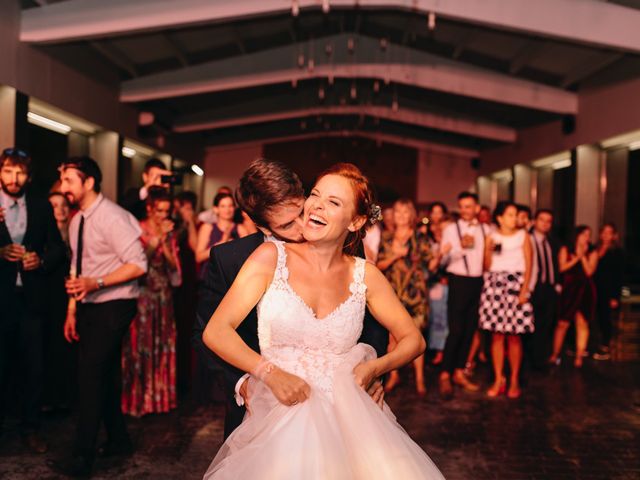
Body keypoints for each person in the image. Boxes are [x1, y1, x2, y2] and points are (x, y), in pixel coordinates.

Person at [201, 163, 444, 479]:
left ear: (356, 221)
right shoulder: (269, 258)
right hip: (278, 414)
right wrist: (268, 374)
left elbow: (414, 339)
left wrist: (375, 368)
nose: (316, 205)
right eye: (316, 194)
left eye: (333, 201)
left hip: (351, 418)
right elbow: (215, 330)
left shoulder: (365, 274)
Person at [192, 158, 388, 440]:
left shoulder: (343, 245)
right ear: (262, 225)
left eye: (301, 211)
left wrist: (373, 371)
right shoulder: (229, 260)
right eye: (286, 224)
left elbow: (370, 321)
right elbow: (204, 333)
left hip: (339, 406)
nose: (303, 227)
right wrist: (244, 383)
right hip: (262, 408)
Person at [50, 156, 147, 477]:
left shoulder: (113, 217)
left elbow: (138, 264)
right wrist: (71, 309)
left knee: (89, 376)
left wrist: (97, 282)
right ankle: (119, 440)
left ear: (88, 182)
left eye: (69, 181)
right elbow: (79, 266)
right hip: (90, 303)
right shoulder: (78, 219)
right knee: (102, 376)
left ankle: (82, 457)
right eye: (62, 181)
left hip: (116, 303)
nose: (63, 187)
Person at [0, 148, 65, 454]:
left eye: (20, 172)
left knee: (33, 367)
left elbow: (58, 248)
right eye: (9, 171)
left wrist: (40, 260)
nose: (15, 179)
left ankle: (31, 429)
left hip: (31, 300)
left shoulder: (40, 205)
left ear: (28, 175)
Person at [122, 187, 181, 416]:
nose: (163, 216)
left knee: (161, 345)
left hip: (163, 296)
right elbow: (139, 263)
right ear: (149, 208)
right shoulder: (137, 228)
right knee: (141, 346)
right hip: (143, 295)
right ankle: (138, 401)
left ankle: (159, 400)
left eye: (167, 211)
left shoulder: (170, 233)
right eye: (159, 211)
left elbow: (174, 269)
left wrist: (166, 241)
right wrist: (156, 240)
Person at [377, 198, 433, 396]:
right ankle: (394, 376)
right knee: (392, 338)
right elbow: (378, 265)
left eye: (405, 212)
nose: (401, 216)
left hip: (415, 293)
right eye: (397, 212)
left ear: (412, 215)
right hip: (392, 293)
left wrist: (440, 256)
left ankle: (419, 379)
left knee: (414, 336)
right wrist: (395, 255)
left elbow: (431, 266)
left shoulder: (421, 237)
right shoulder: (386, 237)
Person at [479, 202, 534, 399]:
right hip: (495, 284)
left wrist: (525, 290)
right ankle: (498, 378)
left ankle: (514, 379)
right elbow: (486, 266)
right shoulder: (491, 236)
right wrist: (487, 250)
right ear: (500, 218)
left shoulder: (523, 236)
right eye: (510, 215)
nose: (514, 218)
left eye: (515, 215)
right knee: (496, 335)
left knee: (514, 336)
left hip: (515, 284)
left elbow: (530, 265)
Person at [438, 192, 487, 399]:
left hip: (479, 282)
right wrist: (458, 250)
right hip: (458, 280)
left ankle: (459, 371)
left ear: (477, 208)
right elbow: (443, 261)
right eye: (462, 206)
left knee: (469, 330)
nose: (465, 210)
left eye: (469, 206)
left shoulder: (486, 229)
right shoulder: (450, 229)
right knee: (456, 330)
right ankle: (444, 374)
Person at [43, 192, 75, 413]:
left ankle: (66, 396)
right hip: (51, 296)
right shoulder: (44, 234)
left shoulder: (75, 230)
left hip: (73, 295)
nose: (60, 209)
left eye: (64, 205)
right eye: (55, 205)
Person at [549, 226, 598, 368]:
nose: (586, 238)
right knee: (562, 323)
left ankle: (579, 356)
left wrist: (583, 256)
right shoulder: (566, 249)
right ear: (576, 235)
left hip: (585, 289)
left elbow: (589, 272)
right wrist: (576, 257)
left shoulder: (592, 252)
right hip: (569, 288)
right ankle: (555, 354)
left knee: (582, 322)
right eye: (584, 234)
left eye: (589, 235)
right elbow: (562, 268)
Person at [172, 190, 199, 391]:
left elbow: (195, 246)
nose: (187, 211)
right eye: (184, 206)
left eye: (190, 207)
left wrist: (189, 222)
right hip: (172, 281)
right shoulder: (170, 224)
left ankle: (185, 379)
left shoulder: (194, 225)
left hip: (188, 281)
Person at [528, 209, 561, 371]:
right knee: (530, 325)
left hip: (549, 288)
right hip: (533, 287)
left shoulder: (551, 242)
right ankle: (529, 360)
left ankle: (539, 360)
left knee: (545, 325)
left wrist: (556, 284)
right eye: (542, 220)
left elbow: (555, 264)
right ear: (534, 221)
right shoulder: (527, 239)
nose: (545, 223)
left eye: (548, 221)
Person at [592, 223, 624, 360]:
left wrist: (615, 296)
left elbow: (619, 276)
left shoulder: (617, 252)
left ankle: (605, 346)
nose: (606, 235)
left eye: (609, 232)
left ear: (614, 235)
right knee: (593, 318)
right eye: (603, 232)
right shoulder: (594, 249)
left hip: (608, 291)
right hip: (594, 288)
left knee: (606, 318)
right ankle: (592, 344)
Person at [195, 192, 249, 265]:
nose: (227, 209)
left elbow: (247, 255)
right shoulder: (207, 227)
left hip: (233, 272)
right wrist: (221, 243)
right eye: (223, 206)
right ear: (215, 209)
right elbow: (198, 257)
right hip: (211, 272)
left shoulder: (240, 228)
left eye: (230, 206)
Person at [427, 221, 450, 366]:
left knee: (443, 319)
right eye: (435, 228)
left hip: (445, 287)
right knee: (434, 319)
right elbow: (429, 267)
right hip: (433, 286)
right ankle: (434, 350)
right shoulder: (430, 245)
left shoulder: (450, 245)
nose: (438, 231)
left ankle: (441, 351)